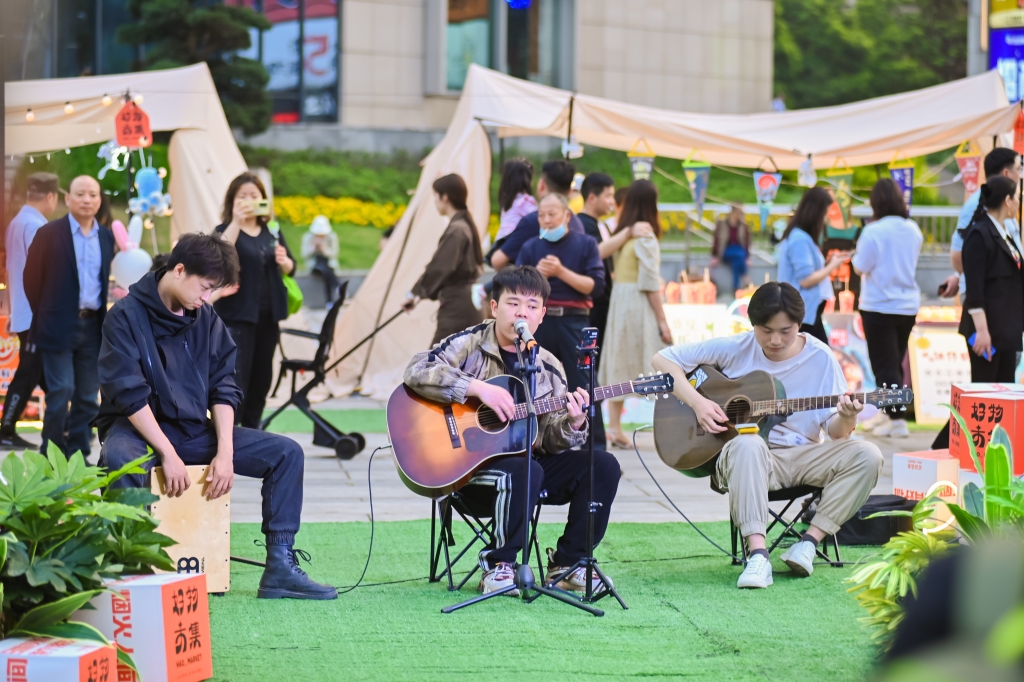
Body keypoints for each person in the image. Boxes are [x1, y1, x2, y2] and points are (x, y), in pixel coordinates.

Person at [96, 233, 336, 601]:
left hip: (193, 430)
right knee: (120, 459)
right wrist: (167, 454)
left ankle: (280, 568)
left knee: (287, 454)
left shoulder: (204, 317)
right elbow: (127, 395)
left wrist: (225, 451)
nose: (206, 299)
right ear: (179, 270)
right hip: (137, 430)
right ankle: (134, 569)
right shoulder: (124, 317)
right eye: (205, 288)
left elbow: (224, 385)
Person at [403, 265, 620, 595]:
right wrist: (476, 388)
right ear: (494, 307)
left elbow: (547, 439)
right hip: (467, 471)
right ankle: (499, 565)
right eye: (513, 303)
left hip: (527, 468)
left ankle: (568, 564)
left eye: (532, 306)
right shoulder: (469, 343)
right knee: (524, 469)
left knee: (602, 465)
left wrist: (574, 423)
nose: (522, 312)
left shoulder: (548, 366)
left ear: (542, 315)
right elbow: (417, 370)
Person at [652, 282, 883, 590]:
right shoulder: (736, 348)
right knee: (749, 442)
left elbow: (835, 432)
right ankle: (758, 555)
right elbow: (662, 359)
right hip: (745, 459)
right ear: (753, 325)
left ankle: (809, 543)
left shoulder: (821, 358)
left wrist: (848, 414)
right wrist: (699, 403)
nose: (775, 340)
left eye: (785, 331)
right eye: (766, 330)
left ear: (800, 324)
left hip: (802, 457)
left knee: (868, 455)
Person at [24, 175, 114, 457]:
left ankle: (78, 453)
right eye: (80, 194)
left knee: (88, 397)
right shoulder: (49, 234)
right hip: (57, 324)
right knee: (61, 390)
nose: (87, 200)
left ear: (99, 200)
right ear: (67, 199)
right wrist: (48, 311)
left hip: (93, 326)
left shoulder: (106, 236)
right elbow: (31, 279)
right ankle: (51, 453)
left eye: (92, 195)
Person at [516, 193, 607, 449]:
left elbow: (596, 286)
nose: (546, 220)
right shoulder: (530, 247)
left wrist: (560, 272)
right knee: (534, 383)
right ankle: (536, 445)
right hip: (539, 325)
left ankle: (594, 449)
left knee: (585, 384)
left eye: (552, 214)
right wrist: (536, 275)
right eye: (541, 215)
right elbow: (516, 287)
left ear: (567, 215)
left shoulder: (586, 244)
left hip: (574, 322)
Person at [213, 172, 297, 429]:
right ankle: (229, 434)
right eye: (243, 196)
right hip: (236, 316)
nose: (249, 200)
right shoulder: (225, 230)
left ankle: (253, 430)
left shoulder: (271, 230)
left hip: (268, 316)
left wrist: (284, 262)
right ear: (232, 200)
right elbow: (217, 257)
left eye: (254, 195)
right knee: (237, 377)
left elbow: (291, 268)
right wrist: (237, 222)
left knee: (262, 377)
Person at [599, 179, 672, 448]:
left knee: (620, 362)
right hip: (638, 304)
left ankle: (615, 428)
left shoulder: (626, 233)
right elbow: (650, 283)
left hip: (621, 301)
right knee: (653, 364)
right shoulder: (644, 235)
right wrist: (662, 320)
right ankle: (664, 430)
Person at [853, 179, 923, 439]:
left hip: (878, 305)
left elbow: (861, 266)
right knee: (895, 362)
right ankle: (888, 414)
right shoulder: (913, 229)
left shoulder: (873, 231)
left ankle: (896, 419)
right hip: (906, 305)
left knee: (885, 365)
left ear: (876, 202)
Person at [0, 173, 60, 449]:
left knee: (42, 372)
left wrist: (12, 307)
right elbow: (46, 273)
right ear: (51, 197)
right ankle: (6, 429)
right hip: (37, 313)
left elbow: (11, 269)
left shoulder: (17, 222)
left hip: (26, 311)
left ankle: (68, 423)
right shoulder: (37, 226)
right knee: (31, 372)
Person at [402, 174, 484, 344]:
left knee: (438, 361)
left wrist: (415, 293)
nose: (435, 202)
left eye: (435, 196)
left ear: (445, 197)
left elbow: (439, 268)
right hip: (467, 301)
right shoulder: (464, 224)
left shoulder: (457, 229)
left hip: (458, 307)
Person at [958, 176, 1024, 383]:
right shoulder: (979, 233)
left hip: (1005, 330)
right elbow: (975, 289)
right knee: (985, 390)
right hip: (987, 333)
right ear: (1007, 200)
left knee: (1004, 391)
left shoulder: (1004, 232)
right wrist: (982, 331)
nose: (1019, 202)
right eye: (1017, 197)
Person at [938, 147, 1022, 301]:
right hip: (987, 297)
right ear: (1006, 173)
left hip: (1004, 294)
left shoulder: (1006, 204)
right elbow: (958, 255)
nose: (1020, 175)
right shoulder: (977, 205)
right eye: (1018, 169)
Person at [777, 187, 849, 344]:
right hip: (802, 313)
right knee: (820, 358)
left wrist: (829, 264)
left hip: (806, 312)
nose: (825, 219)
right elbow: (806, 279)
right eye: (824, 214)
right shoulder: (800, 239)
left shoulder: (800, 237)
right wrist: (832, 266)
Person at [489, 160, 585, 270]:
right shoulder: (577, 223)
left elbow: (497, 261)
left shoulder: (533, 221)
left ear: (541, 185)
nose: (547, 220)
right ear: (570, 191)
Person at [494, 159, 537, 245]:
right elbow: (537, 220)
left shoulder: (508, 198)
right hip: (514, 243)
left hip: (500, 242)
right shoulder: (525, 201)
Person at [711, 205, 752, 294]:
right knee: (740, 255)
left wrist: (747, 257)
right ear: (733, 213)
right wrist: (714, 255)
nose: (740, 216)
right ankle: (745, 278)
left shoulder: (743, 225)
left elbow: (747, 242)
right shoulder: (722, 224)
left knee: (737, 261)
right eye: (739, 213)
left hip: (739, 251)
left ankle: (736, 288)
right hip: (726, 250)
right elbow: (716, 239)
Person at [301, 215, 341, 305]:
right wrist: (313, 247)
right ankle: (338, 289)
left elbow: (335, 254)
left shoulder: (331, 237)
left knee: (326, 270)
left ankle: (329, 301)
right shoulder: (308, 237)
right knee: (326, 270)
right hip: (315, 264)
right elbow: (304, 255)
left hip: (327, 264)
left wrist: (324, 250)